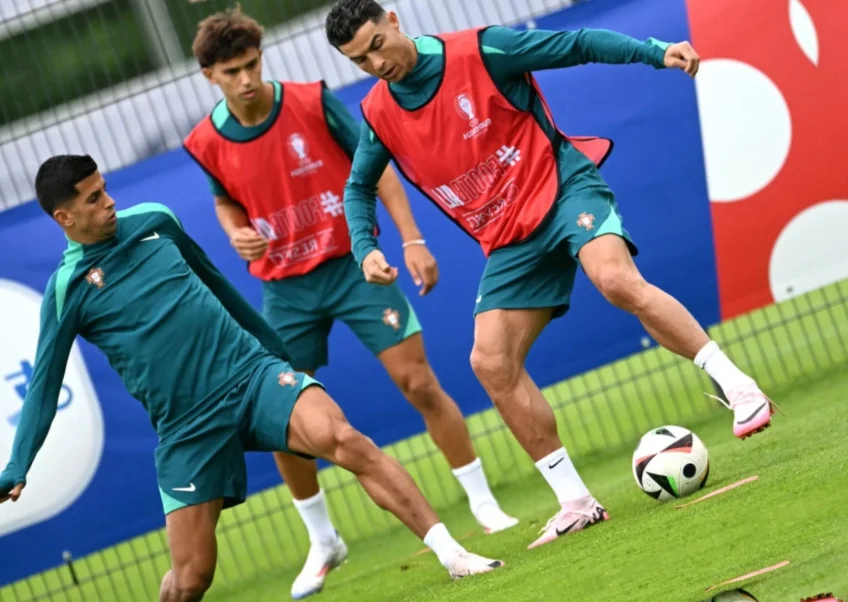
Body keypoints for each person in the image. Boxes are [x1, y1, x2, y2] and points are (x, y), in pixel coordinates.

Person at [0, 155, 502, 602]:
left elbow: (217, 286)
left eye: (106, 190)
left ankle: (452, 554)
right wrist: (17, 465)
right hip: (186, 427)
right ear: (65, 216)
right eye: (94, 198)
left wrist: (275, 355)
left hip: (250, 375)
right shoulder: (66, 288)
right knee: (191, 581)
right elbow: (44, 387)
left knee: (343, 438)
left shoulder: (155, 221)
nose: (110, 202)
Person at [323, 0, 777, 549]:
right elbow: (357, 186)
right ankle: (576, 502)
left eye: (376, 45)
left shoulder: (482, 49)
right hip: (510, 239)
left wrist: (657, 52)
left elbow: (578, 43)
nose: (376, 63)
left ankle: (739, 386)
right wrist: (365, 245)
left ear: (393, 21)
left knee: (614, 280)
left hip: (562, 190)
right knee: (489, 362)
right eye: (360, 60)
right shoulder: (377, 114)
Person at [182, 9, 517, 599]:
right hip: (284, 287)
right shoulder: (205, 141)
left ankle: (483, 503)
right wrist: (235, 231)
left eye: (253, 64)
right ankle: (323, 539)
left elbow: (377, 166)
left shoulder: (311, 101)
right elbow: (225, 202)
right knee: (282, 417)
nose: (247, 79)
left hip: (353, 267)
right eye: (232, 71)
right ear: (209, 75)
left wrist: (410, 239)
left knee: (418, 383)